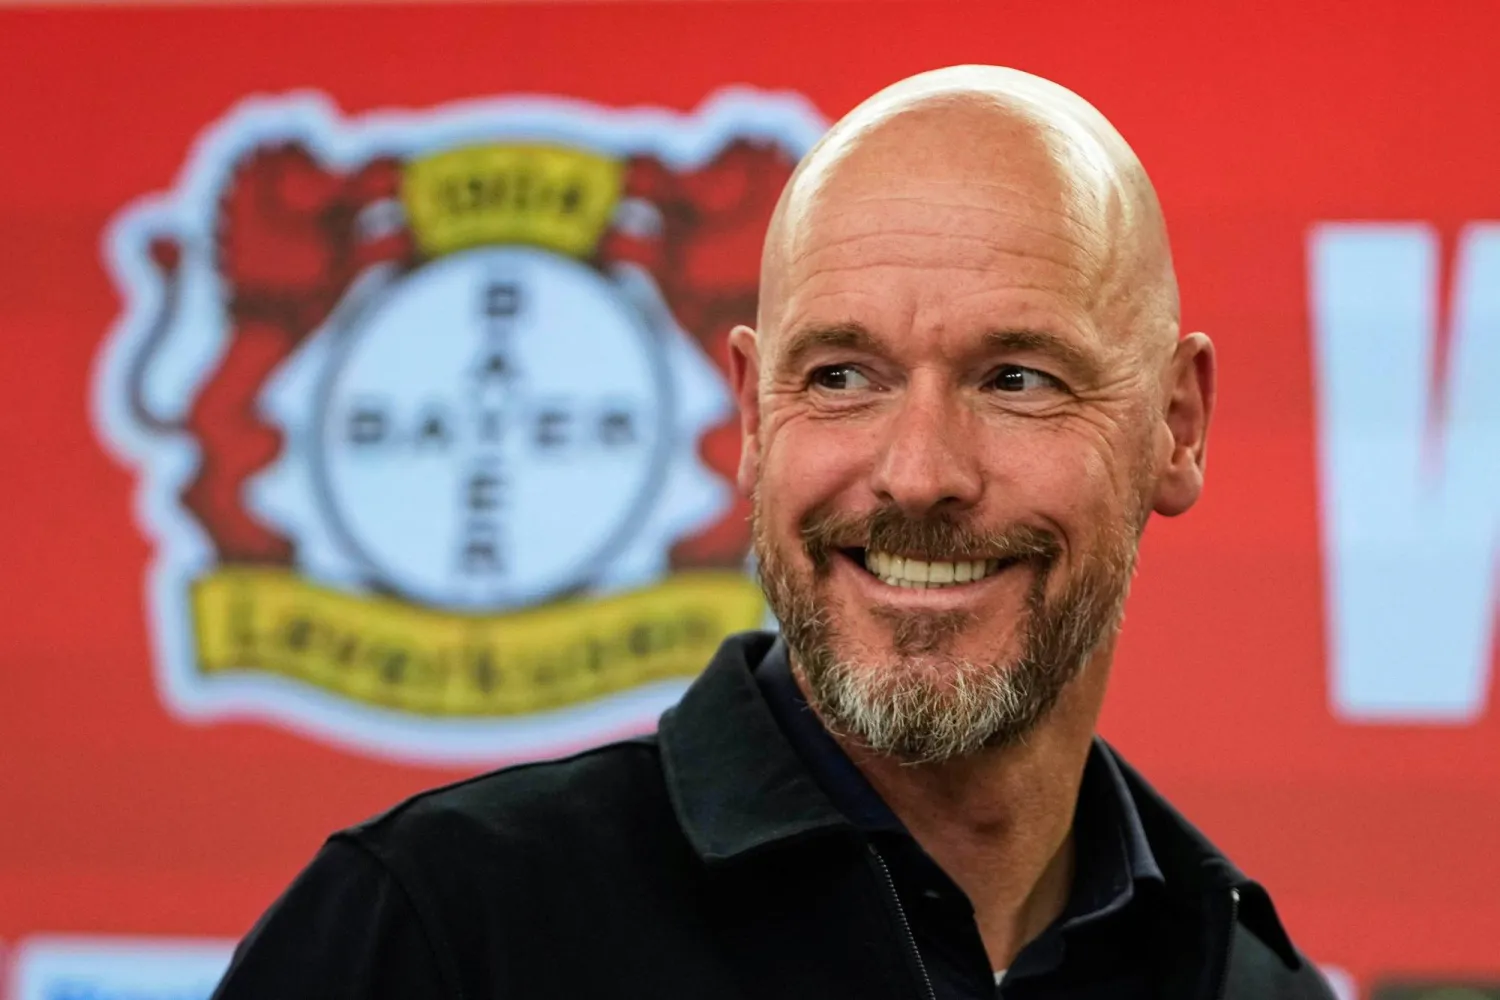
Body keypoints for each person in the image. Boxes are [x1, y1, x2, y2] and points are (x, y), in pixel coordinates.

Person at [211, 66, 1336, 1000]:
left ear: (1175, 427)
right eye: (842, 375)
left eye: (1017, 379)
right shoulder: (438, 934)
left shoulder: (1243, 980)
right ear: (752, 414)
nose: (918, 473)